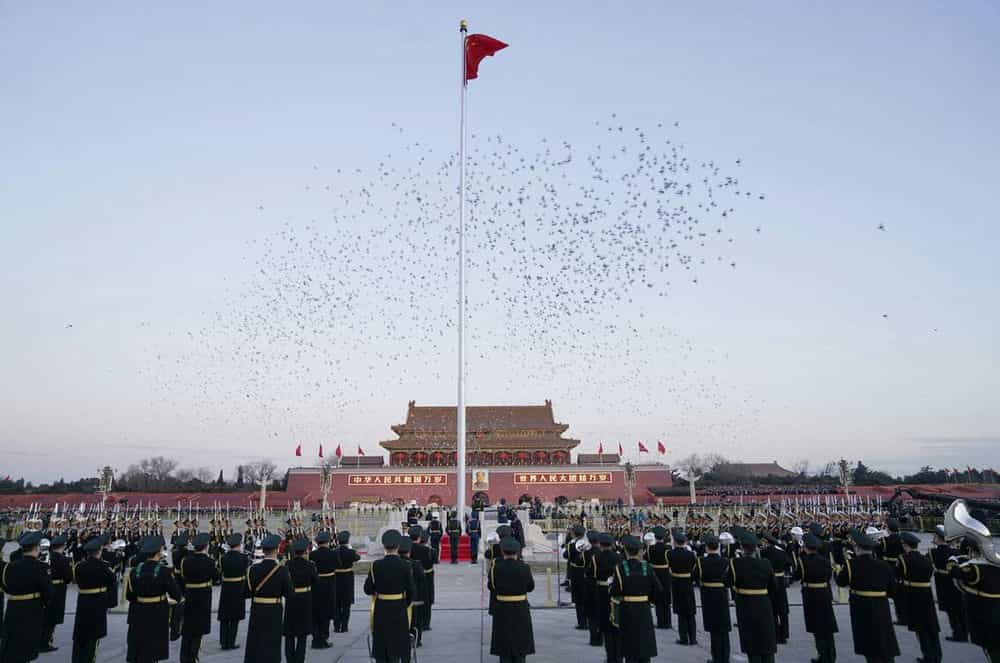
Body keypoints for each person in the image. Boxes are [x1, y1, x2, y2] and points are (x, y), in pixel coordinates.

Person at [835, 528, 899, 663]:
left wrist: (838, 571)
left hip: (861, 606)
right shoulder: (884, 565)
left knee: (869, 642)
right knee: (884, 639)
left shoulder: (852, 564)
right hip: (881, 605)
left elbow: (841, 582)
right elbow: (893, 590)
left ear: (857, 548)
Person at [126, 536, 184, 663]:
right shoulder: (163, 571)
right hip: (158, 612)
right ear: (158, 553)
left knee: (141, 645)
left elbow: (129, 596)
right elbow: (176, 594)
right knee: (154, 646)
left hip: (140, 611)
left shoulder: (135, 571)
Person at [363, 530, 417, 663]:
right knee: (400, 641)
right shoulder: (406, 565)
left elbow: (367, 589)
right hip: (399, 607)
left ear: (384, 546)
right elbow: (411, 590)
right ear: (398, 546)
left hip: (381, 608)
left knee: (382, 640)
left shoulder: (376, 565)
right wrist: (405, 603)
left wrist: (377, 592)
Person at [0, 531, 54, 663]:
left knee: (12, 643)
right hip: (32, 609)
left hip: (13, 608)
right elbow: (48, 592)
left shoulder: (9, 567)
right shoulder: (41, 567)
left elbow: (5, 586)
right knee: (27, 643)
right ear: (36, 548)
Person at [726, 527, 777, 663]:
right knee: (766, 639)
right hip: (764, 603)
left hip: (745, 603)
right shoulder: (766, 563)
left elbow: (728, 581)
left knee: (752, 641)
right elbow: (774, 586)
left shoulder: (736, 563)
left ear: (742, 547)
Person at [950, 534, 1000, 661]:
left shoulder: (976, 568)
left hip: (984, 614)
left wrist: (952, 561)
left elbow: (955, 572)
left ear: (971, 551)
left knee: (991, 648)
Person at [244, 534, 293, 663]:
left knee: (256, 639)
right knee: (272, 641)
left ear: (263, 551)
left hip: (257, 609)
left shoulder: (252, 569)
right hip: (274, 610)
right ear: (277, 550)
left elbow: (246, 593)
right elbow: (289, 593)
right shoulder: (282, 570)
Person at [611, 535, 660, 663]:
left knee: (629, 644)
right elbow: (658, 589)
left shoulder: (620, 568)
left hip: (627, 609)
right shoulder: (646, 567)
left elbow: (615, 591)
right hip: (644, 608)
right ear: (639, 551)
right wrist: (649, 600)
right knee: (644, 642)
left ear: (625, 551)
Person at [70, 535, 117, 663]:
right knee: (93, 636)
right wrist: (111, 602)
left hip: (83, 601)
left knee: (80, 635)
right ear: (100, 551)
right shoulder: (104, 566)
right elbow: (113, 581)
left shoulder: (79, 566)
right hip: (97, 602)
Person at [488, 537, 535, 663]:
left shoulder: (495, 568)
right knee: (520, 642)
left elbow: (491, 586)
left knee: (504, 643)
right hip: (520, 607)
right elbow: (530, 587)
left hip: (502, 607)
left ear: (503, 552)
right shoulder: (525, 567)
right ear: (517, 552)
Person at [897, 531, 941, 663]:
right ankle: (937, 655)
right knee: (931, 626)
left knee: (920, 628)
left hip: (913, 594)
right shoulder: (926, 559)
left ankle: (928, 656)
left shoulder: (904, 559)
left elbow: (898, 574)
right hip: (927, 593)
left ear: (905, 545)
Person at [794, 532, 838, 663]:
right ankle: (831, 655)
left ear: (806, 547)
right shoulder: (825, 560)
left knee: (817, 628)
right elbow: (829, 576)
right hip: (824, 592)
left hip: (811, 594)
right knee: (827, 627)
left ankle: (823, 656)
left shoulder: (803, 561)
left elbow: (797, 576)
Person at [180, 532, 221, 663]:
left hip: (189, 593)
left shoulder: (186, 561)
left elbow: (183, 576)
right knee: (198, 629)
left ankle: (184, 657)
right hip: (203, 595)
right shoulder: (209, 561)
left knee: (188, 627)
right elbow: (216, 577)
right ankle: (193, 657)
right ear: (206, 546)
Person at [695, 533, 732, 663]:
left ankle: (717, 657)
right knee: (724, 628)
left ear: (706, 548)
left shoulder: (701, 561)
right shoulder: (726, 561)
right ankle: (725, 657)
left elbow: (695, 576)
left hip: (709, 595)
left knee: (714, 629)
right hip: (722, 594)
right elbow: (730, 580)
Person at [284, 538, 319, 663]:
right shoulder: (310, 565)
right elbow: (316, 581)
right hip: (305, 598)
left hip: (291, 598)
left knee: (289, 632)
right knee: (302, 633)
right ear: (305, 551)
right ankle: (299, 659)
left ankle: (290, 658)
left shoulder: (288, 565)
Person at [929, 525, 967, 642]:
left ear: (938, 537)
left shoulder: (934, 552)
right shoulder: (956, 551)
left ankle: (958, 634)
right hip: (956, 582)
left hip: (943, 583)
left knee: (951, 610)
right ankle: (964, 632)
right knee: (959, 608)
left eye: (935, 536)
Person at [40, 533, 72, 652]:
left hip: (46, 586)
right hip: (58, 589)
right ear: (63, 546)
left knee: (45, 614)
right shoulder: (64, 559)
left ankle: (42, 639)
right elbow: (68, 577)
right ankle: (46, 642)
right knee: (52, 617)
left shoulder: (45, 557)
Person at [218, 532, 251, 651]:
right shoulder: (244, 558)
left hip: (226, 588)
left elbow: (220, 572)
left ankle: (223, 641)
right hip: (238, 587)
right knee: (234, 617)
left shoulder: (223, 558)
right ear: (239, 545)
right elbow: (246, 573)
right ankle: (231, 641)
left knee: (224, 617)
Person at [309, 529, 340, 648]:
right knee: (326, 612)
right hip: (329, 584)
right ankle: (324, 637)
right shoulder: (333, 553)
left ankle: (315, 637)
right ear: (327, 542)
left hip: (316, 585)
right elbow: (338, 565)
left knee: (316, 611)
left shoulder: (313, 554)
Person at [666, 529, 697, 646]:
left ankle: (683, 637)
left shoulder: (670, 553)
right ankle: (693, 638)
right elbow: (694, 569)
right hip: (688, 582)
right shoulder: (691, 554)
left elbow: (669, 566)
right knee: (690, 611)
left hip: (676, 582)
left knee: (681, 612)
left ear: (675, 542)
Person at [594, 532, 622, 661]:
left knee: (606, 626)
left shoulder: (596, 557)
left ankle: (610, 656)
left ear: (600, 544)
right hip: (615, 592)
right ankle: (618, 655)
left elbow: (592, 574)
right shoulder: (619, 557)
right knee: (616, 625)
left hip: (602, 590)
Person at [760, 534, 790, 644]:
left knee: (773, 609)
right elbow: (789, 563)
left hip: (770, 581)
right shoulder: (781, 552)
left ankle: (776, 634)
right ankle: (784, 634)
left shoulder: (764, 552)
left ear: (767, 543)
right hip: (781, 580)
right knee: (782, 609)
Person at [398, 536, 425, 648]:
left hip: (397, 600)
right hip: (413, 598)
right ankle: (416, 640)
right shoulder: (416, 565)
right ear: (409, 551)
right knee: (415, 620)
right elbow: (422, 584)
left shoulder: (397, 564)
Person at [645, 525, 672, 630]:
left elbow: (647, 560)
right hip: (665, 573)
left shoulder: (651, 548)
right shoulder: (668, 548)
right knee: (666, 598)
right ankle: (668, 621)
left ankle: (661, 621)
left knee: (658, 599)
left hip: (655, 573)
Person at [880, 518, 907, 626]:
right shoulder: (902, 539)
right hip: (901, 565)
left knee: (886, 593)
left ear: (888, 529)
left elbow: (879, 552)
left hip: (888, 567)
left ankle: (888, 617)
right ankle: (903, 616)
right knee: (900, 594)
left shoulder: (885, 540)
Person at [408, 526, 432, 642]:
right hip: (425, 576)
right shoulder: (426, 550)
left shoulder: (407, 548)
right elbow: (432, 561)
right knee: (426, 600)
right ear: (419, 537)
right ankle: (425, 623)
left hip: (409, 578)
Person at [334, 530, 361, 633]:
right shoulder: (350, 552)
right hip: (347, 578)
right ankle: (344, 626)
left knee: (337, 604)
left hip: (336, 578)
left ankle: (337, 626)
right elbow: (358, 557)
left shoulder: (334, 552)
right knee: (346, 604)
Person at [564, 524, 589, 630]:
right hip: (586, 572)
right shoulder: (588, 544)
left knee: (578, 599)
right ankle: (588, 620)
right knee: (586, 598)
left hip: (576, 572)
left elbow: (566, 555)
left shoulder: (571, 545)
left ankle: (582, 622)